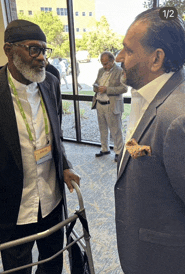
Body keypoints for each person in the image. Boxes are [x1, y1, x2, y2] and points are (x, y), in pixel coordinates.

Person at [0, 19, 80, 274]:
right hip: (10, 207)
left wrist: (65, 166)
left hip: (51, 201)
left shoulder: (50, 83)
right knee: (18, 270)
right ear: (9, 50)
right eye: (33, 49)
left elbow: (55, 136)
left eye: (44, 50)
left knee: (52, 266)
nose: (42, 58)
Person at [115, 8, 185, 274]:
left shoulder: (177, 117)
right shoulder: (150, 96)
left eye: (128, 51)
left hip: (165, 262)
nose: (120, 57)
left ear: (156, 59)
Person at [92, 51, 127, 162]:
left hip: (111, 105)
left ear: (112, 61)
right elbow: (95, 83)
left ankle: (118, 151)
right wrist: (96, 87)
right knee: (102, 129)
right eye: (103, 63)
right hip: (100, 104)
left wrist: (107, 89)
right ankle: (104, 149)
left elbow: (124, 89)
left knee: (116, 130)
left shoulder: (120, 71)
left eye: (106, 63)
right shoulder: (100, 70)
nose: (104, 66)